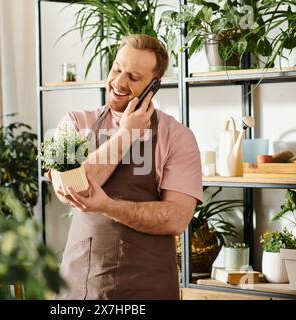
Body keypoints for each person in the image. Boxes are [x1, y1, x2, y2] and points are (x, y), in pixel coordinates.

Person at [50, 34, 203, 300]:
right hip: (83, 285)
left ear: (154, 85)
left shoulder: (178, 137)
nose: (119, 82)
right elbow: (75, 188)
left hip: (150, 287)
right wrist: (125, 136)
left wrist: (107, 205)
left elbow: (176, 218)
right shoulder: (73, 124)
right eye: (117, 69)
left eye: (133, 77)